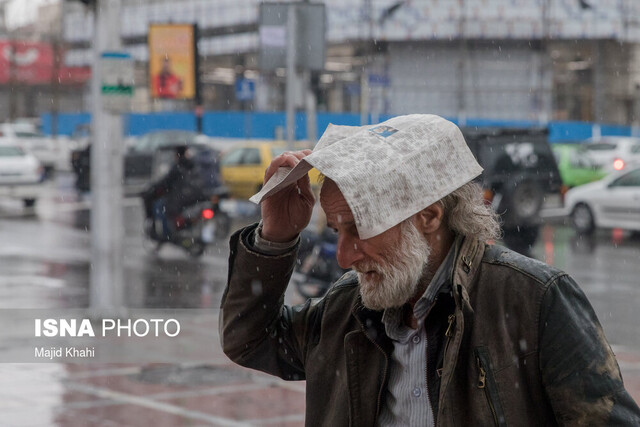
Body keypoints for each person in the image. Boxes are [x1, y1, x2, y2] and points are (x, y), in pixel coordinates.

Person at [220, 114, 640, 426]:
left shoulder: (533, 301)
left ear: (429, 217)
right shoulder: (346, 309)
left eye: (359, 228)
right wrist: (275, 238)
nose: (343, 257)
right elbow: (249, 339)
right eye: (335, 231)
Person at [143, 145, 205, 240]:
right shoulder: (192, 165)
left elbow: (165, 181)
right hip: (192, 198)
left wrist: (153, 188)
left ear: (176, 155)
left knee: (160, 207)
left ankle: (166, 234)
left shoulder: (178, 166)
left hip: (179, 199)